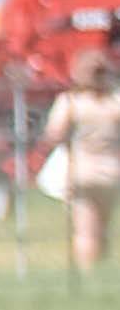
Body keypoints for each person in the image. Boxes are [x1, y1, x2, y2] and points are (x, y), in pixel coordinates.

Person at [43, 46, 120, 276]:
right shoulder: (114, 102)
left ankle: (88, 275)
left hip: (81, 170)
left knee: (85, 230)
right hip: (112, 171)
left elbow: (53, 134)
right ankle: (103, 270)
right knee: (104, 228)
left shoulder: (71, 102)